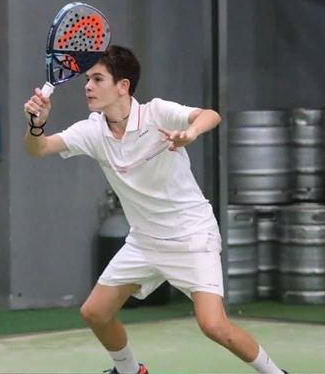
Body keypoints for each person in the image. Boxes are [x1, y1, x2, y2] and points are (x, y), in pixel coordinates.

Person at [23, 45, 286, 374]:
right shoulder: (92, 131)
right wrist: (36, 125)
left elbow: (210, 115)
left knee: (214, 326)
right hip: (144, 241)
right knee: (95, 313)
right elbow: (40, 148)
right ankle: (130, 371)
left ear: (123, 86)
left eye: (97, 79)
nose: (87, 86)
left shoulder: (156, 113)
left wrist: (189, 133)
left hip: (191, 235)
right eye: (87, 79)